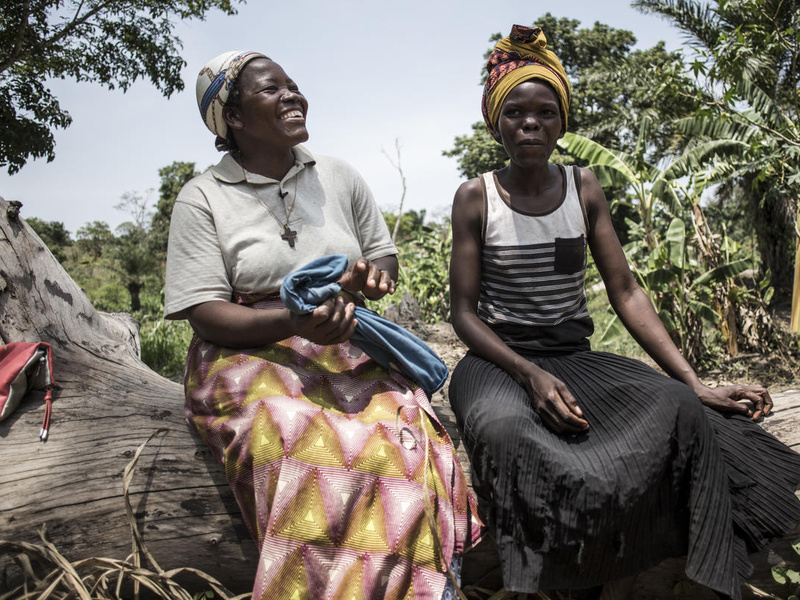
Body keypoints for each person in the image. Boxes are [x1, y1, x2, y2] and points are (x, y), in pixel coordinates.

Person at [448, 25, 800, 600]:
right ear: (496, 122)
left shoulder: (582, 187)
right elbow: (464, 314)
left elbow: (626, 292)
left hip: (573, 357)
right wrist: (528, 373)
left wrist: (693, 380)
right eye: (515, 112)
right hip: (498, 360)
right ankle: (540, 582)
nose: (530, 123)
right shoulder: (475, 196)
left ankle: (647, 572)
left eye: (544, 112)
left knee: (680, 409)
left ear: (562, 123)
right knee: (504, 431)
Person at [165, 50, 481, 600]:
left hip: (344, 337)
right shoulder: (203, 197)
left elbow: (383, 260)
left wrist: (366, 281)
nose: (292, 94)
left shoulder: (337, 176)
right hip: (247, 352)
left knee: (396, 442)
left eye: (292, 84)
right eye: (271, 89)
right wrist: (295, 321)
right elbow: (205, 312)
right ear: (233, 119)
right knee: (290, 435)